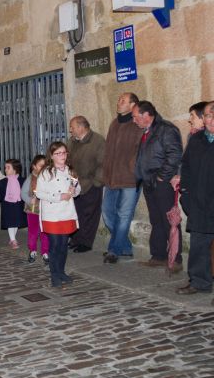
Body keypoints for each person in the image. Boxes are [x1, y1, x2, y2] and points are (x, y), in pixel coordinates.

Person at [133, 101, 183, 269]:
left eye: (135, 117)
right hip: (149, 182)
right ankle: (158, 255)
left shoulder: (166, 129)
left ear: (146, 115)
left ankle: (175, 258)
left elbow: (175, 154)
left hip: (161, 183)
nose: (134, 121)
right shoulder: (147, 131)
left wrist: (162, 176)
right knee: (156, 220)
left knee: (168, 219)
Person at [178, 101, 214, 298]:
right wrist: (185, 193)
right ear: (204, 118)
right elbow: (187, 168)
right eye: (209, 115)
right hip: (199, 203)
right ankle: (200, 282)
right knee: (199, 245)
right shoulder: (197, 139)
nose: (211, 120)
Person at [101, 92, 141, 264]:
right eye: (119, 99)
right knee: (108, 213)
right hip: (111, 177)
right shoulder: (114, 123)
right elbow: (109, 151)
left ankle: (114, 250)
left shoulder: (137, 125)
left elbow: (140, 152)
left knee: (124, 215)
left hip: (130, 180)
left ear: (133, 105)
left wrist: (133, 169)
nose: (118, 102)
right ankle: (125, 247)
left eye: (122, 100)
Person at [36, 142, 81, 288]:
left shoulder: (70, 171)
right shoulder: (46, 172)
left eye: (64, 152)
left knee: (63, 245)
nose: (62, 155)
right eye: (58, 153)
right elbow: (40, 193)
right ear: (52, 156)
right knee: (55, 245)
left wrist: (74, 191)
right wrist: (59, 196)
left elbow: (77, 188)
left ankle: (61, 271)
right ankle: (54, 274)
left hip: (67, 212)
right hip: (52, 214)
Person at [67, 116, 106, 253]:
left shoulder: (98, 141)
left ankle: (85, 242)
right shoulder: (72, 141)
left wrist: (96, 182)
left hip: (91, 184)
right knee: (76, 212)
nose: (70, 130)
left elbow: (103, 163)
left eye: (72, 127)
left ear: (81, 127)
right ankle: (76, 238)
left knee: (89, 214)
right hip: (75, 183)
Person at [21, 155, 49, 264]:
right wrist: (29, 200)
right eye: (40, 165)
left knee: (45, 232)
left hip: (45, 210)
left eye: (45, 165)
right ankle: (32, 250)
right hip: (33, 210)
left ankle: (45, 252)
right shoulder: (30, 178)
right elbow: (22, 193)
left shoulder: (48, 178)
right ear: (34, 166)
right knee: (33, 232)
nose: (43, 168)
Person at [0, 159, 27, 249]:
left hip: (18, 204)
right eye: (5, 168)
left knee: (16, 222)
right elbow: (0, 196)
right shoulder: (3, 182)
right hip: (7, 205)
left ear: (15, 169)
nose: (5, 169)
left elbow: (25, 192)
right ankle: (13, 240)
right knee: (10, 222)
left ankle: (13, 238)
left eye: (8, 168)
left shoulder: (22, 180)